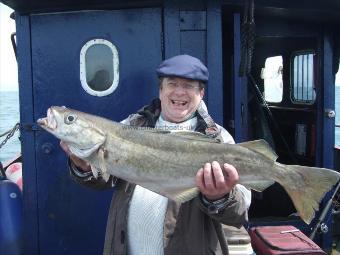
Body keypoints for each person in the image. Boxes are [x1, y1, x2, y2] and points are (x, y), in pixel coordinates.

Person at [60, 54, 251, 255]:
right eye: (172, 84)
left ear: (201, 93)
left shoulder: (219, 140)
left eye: (188, 86)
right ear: (161, 90)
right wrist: (84, 167)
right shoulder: (131, 127)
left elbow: (238, 213)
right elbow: (106, 178)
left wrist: (220, 197)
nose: (179, 91)